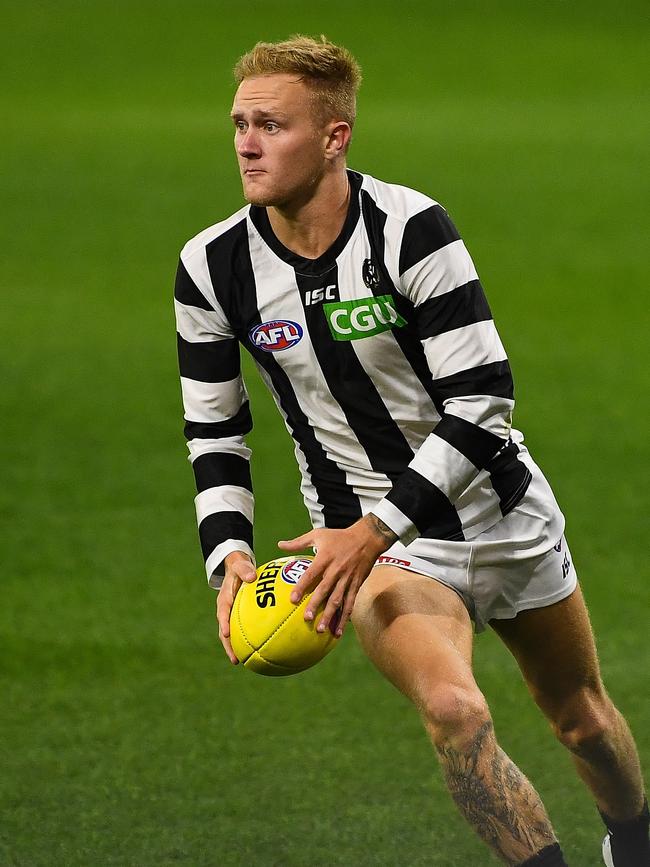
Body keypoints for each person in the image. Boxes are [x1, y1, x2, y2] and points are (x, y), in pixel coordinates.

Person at [174, 35, 648, 866]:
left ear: (334, 136)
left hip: (498, 508)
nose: (248, 143)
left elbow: (484, 400)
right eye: (239, 124)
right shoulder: (212, 267)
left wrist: (374, 529)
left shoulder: (409, 230)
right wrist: (230, 556)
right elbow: (215, 428)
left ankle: (636, 841)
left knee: (579, 714)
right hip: (380, 551)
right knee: (458, 712)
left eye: (272, 125)